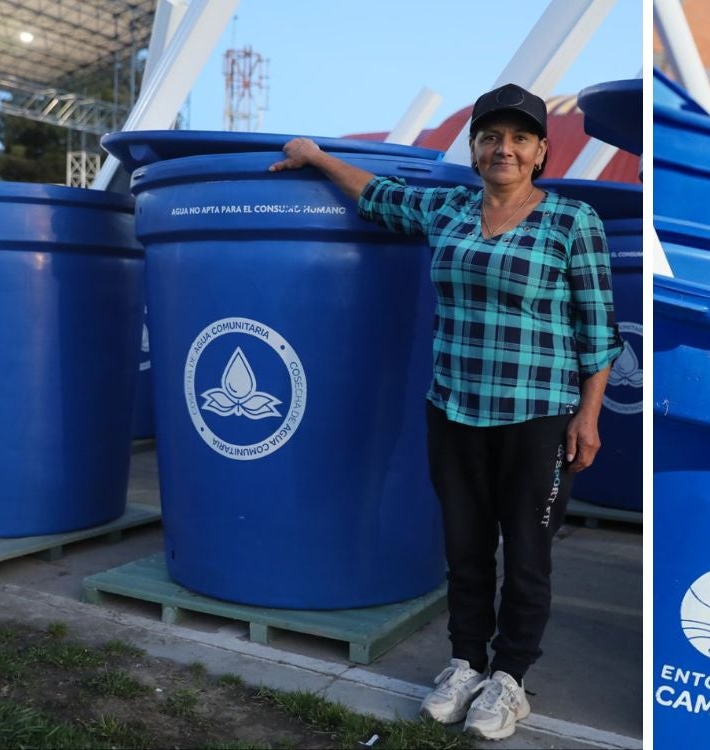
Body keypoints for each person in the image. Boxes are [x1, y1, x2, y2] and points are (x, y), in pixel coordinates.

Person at [269, 82, 623, 741]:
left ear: (541, 151)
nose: (504, 149)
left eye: (519, 139)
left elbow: (598, 333)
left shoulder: (572, 222)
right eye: (491, 137)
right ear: (474, 146)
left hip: (537, 417)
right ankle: (465, 664)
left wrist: (588, 416)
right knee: (463, 548)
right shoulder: (448, 211)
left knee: (526, 554)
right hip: (454, 409)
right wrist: (316, 156)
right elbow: (375, 195)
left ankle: (510, 678)